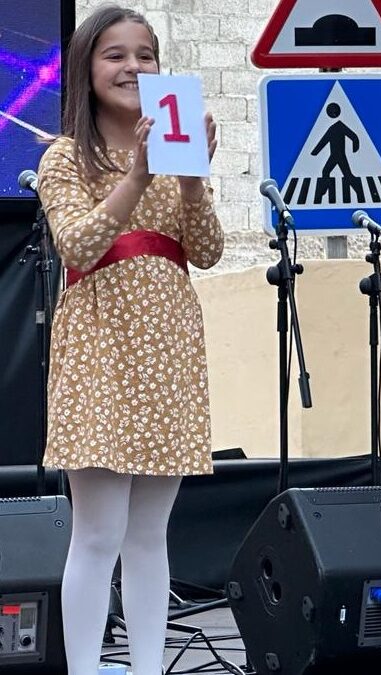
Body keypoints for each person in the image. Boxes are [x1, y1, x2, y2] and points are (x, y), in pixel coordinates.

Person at [36, 6, 223, 674]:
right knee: (98, 530)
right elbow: (79, 243)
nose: (133, 67)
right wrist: (137, 175)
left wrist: (193, 177)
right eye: (115, 55)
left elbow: (205, 250)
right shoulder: (65, 157)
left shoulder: (177, 160)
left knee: (148, 533)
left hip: (168, 347)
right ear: (87, 69)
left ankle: (149, 666)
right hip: (101, 350)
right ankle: (85, 667)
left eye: (145, 55)